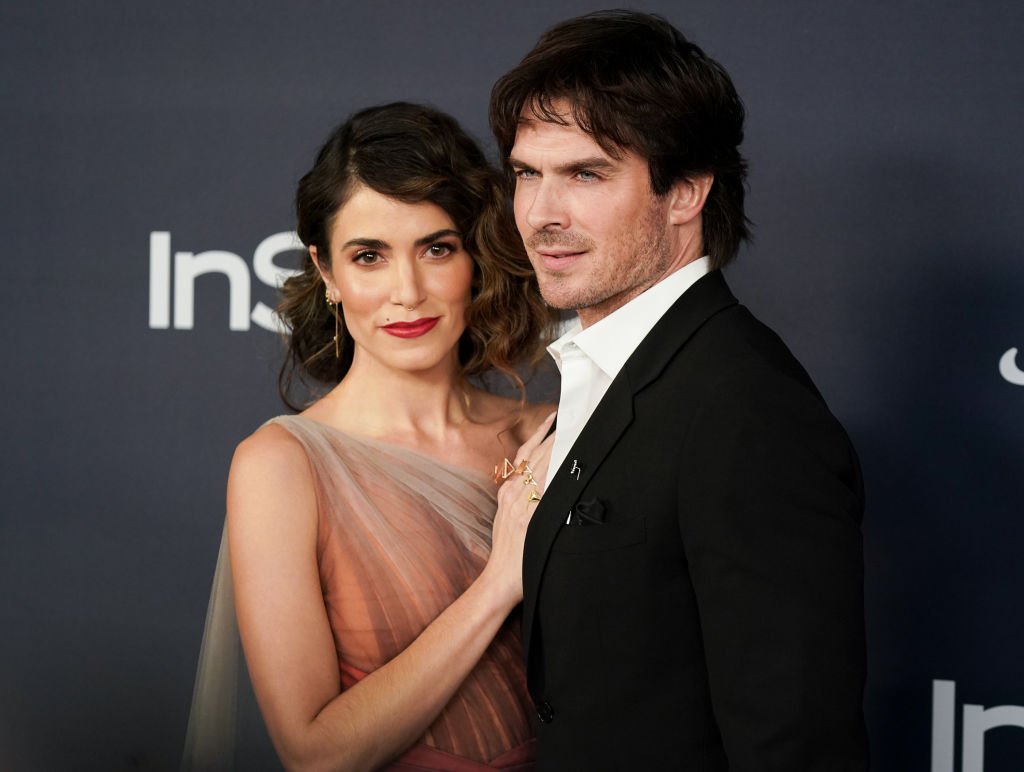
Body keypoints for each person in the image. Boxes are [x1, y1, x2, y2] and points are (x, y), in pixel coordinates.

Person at [488, 11, 868, 770]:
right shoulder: (616, 366)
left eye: (586, 174)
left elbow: (794, 743)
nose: (540, 215)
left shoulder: (746, 406)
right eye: (528, 173)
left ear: (686, 192)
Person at [182, 102, 557, 771]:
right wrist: (501, 580)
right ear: (327, 273)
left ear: (476, 259)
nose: (406, 291)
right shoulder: (282, 465)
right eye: (369, 256)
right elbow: (316, 754)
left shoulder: (550, 431)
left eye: (436, 249)